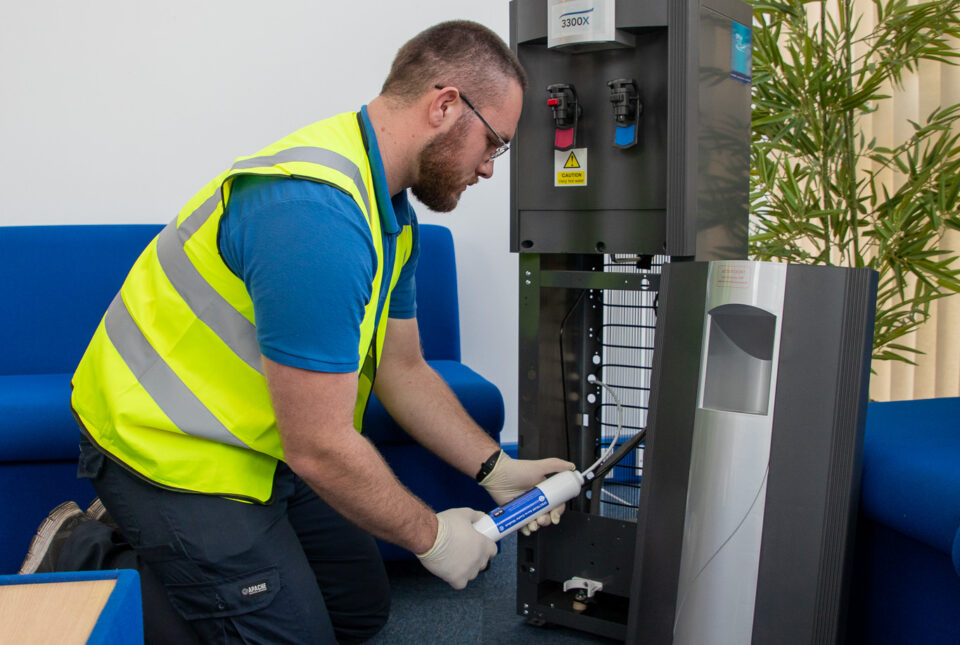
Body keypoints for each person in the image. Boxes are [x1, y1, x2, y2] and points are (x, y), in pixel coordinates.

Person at [18, 19, 574, 645]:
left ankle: (187, 566)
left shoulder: (387, 210)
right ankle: (83, 559)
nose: (490, 168)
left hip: (265, 445)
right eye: (494, 142)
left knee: (359, 611)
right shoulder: (313, 215)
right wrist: (435, 538)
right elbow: (319, 444)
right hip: (164, 450)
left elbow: (403, 370)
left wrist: (496, 469)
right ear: (445, 106)